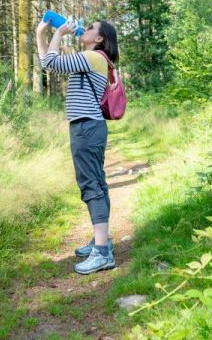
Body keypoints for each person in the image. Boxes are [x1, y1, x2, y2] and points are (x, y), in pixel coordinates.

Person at [36, 17, 120, 274]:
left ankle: (103, 252)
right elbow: (46, 64)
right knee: (97, 181)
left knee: (91, 184)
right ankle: (101, 240)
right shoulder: (94, 58)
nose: (85, 29)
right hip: (88, 126)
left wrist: (58, 33)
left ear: (99, 39)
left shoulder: (93, 57)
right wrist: (41, 33)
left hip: (86, 126)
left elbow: (51, 63)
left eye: (92, 28)